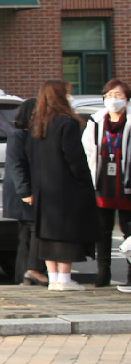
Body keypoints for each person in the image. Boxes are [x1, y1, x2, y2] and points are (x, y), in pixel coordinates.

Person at [27, 79, 98, 292]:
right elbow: (75, 157)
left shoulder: (37, 124)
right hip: (67, 188)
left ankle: (54, 277)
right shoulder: (67, 123)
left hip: (43, 188)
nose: (70, 97)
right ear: (60, 96)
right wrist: (85, 181)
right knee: (66, 234)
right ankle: (65, 279)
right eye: (67, 93)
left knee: (46, 234)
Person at [82, 77, 131, 291]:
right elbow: (88, 152)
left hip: (127, 186)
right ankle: (103, 274)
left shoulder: (130, 122)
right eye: (110, 95)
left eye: (118, 95)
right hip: (102, 185)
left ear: (127, 99)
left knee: (129, 233)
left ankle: (130, 275)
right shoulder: (95, 123)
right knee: (102, 233)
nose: (114, 100)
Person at [4, 98, 47, 286]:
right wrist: (25, 191)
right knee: (31, 232)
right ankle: (31, 271)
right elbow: (16, 164)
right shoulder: (18, 135)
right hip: (24, 192)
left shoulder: (31, 134)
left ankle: (25, 276)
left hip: (28, 190)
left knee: (27, 236)